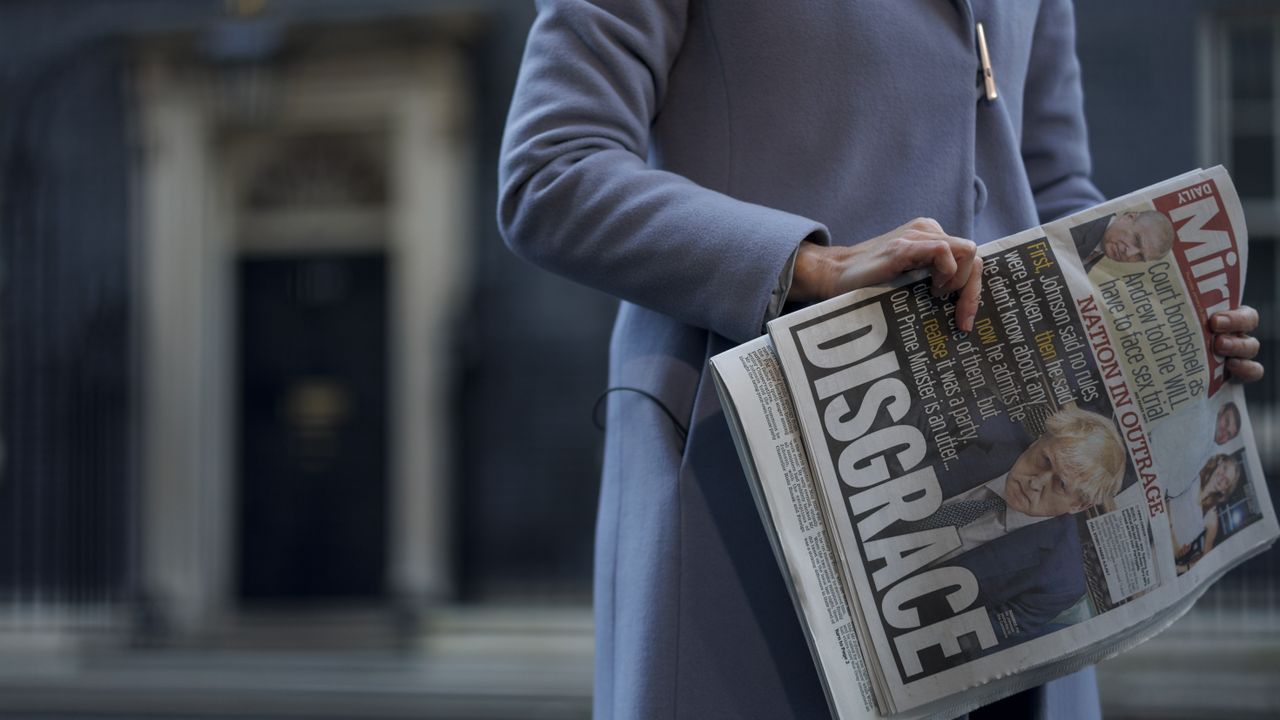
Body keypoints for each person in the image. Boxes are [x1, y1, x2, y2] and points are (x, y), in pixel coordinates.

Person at [498, 2, 1264, 718]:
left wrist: (1161, 324)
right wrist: (809, 264)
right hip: (747, 502)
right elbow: (553, 169)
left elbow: (1047, 181)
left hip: (1020, 590)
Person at [914, 407, 1126, 644]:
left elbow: (968, 641)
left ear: (1078, 506)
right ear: (1039, 440)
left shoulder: (1059, 582)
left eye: (1061, 485)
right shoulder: (983, 421)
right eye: (1045, 460)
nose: (1035, 483)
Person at [1171, 454, 1245, 571]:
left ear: (1224, 490)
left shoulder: (1211, 518)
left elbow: (1207, 561)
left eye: (1226, 481)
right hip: (1154, 521)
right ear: (1220, 462)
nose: (1222, 477)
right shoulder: (1196, 474)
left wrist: (1179, 569)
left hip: (1164, 550)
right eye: (1225, 468)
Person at [1071, 210, 1175, 271]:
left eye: (1140, 256)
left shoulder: (1097, 251)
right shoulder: (1080, 221)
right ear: (1128, 217)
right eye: (1136, 240)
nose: (1129, 253)